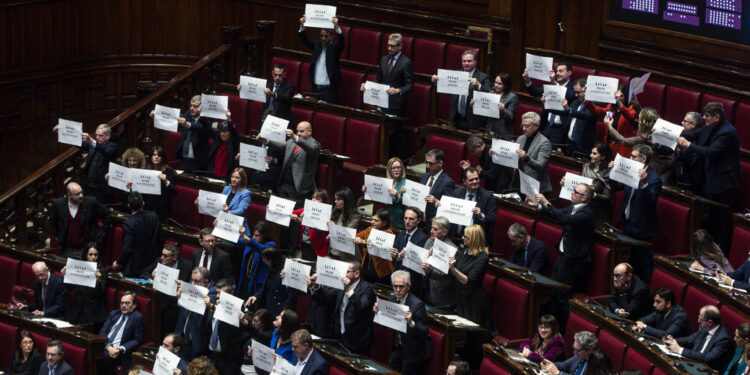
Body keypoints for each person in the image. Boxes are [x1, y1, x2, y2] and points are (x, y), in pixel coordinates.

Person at [677, 102, 741, 252]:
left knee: (718, 219)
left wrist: (689, 145)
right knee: (707, 217)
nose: (704, 118)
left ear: (716, 117)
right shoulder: (709, 126)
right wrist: (669, 131)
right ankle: (705, 248)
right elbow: (694, 134)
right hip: (709, 179)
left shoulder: (727, 132)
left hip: (722, 183)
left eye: (707, 116)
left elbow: (711, 152)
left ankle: (719, 250)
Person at [527, 185, 595, 297]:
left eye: (576, 192)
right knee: (553, 289)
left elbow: (565, 219)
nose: (572, 193)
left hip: (573, 262)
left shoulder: (587, 214)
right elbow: (557, 213)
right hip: (563, 256)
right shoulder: (573, 208)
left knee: (562, 294)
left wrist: (546, 202)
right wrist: (538, 206)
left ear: (584, 198)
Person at [609, 144, 662, 284]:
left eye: (633, 156)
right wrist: (613, 173)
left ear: (643, 159)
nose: (629, 158)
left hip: (642, 229)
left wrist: (644, 184)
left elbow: (650, 202)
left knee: (641, 265)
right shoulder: (631, 171)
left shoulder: (654, 178)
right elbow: (615, 187)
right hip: (627, 223)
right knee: (627, 262)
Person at [309, 261, 375, 355]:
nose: (344, 275)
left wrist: (348, 288)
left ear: (356, 274)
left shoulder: (367, 288)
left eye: (347, 272)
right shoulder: (341, 284)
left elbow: (361, 307)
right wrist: (316, 286)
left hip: (357, 338)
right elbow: (328, 297)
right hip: (339, 333)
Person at [374, 270, 430, 375]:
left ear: (409, 286)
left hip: (414, 351)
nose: (398, 290)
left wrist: (410, 322)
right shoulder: (392, 298)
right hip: (398, 347)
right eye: (395, 286)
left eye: (401, 287)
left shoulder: (417, 304)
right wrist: (378, 313)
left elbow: (424, 332)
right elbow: (387, 324)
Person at [606, 107, 674, 185]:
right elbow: (648, 116)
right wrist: (636, 104)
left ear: (643, 122)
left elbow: (623, 141)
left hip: (660, 166)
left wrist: (610, 127)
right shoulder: (659, 124)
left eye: (640, 119)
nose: (638, 120)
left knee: (654, 187)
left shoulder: (645, 137)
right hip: (668, 161)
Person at [431, 50, 491, 130]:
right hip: (455, 117)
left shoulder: (483, 77)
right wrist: (435, 82)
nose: (466, 63)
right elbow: (442, 88)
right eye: (464, 61)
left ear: (476, 62)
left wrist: (479, 85)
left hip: (473, 119)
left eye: (469, 61)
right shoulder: (455, 74)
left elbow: (490, 94)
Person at [49, 181, 110, 258]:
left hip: (87, 247)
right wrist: (57, 236)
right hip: (68, 247)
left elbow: (106, 214)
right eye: (77, 194)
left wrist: (102, 233)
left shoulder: (91, 202)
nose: (81, 196)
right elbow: (52, 221)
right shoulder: (58, 204)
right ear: (69, 195)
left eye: (81, 192)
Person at [450, 225, 494, 331]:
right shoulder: (464, 252)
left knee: (472, 332)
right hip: (462, 297)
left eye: (466, 236)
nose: (462, 238)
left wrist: (453, 268)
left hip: (474, 300)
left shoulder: (482, 257)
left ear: (474, 239)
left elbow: (468, 280)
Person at [664, 305, 733, 372]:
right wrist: (672, 342)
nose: (698, 321)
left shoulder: (724, 338)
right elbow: (689, 340)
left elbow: (707, 358)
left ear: (710, 322)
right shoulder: (704, 328)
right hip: (693, 364)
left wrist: (680, 350)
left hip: (708, 371)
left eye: (701, 319)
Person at [440, 167, 496, 247]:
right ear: (464, 182)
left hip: (475, 242)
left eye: (476, 179)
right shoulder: (457, 193)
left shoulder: (487, 197)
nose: (475, 182)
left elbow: (492, 219)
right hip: (456, 239)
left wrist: (481, 215)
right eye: (471, 180)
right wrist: (441, 206)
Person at [265, 121, 321, 200]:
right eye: (297, 131)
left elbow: (311, 149)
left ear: (309, 132)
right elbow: (282, 146)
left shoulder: (315, 144)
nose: (298, 133)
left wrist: (295, 137)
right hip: (284, 185)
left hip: (299, 188)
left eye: (301, 131)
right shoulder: (292, 141)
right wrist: (267, 140)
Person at [361, 33, 413, 116]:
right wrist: (367, 86)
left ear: (400, 46)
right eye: (388, 45)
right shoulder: (384, 59)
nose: (389, 48)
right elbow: (378, 79)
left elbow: (410, 85)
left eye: (392, 46)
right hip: (382, 102)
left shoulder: (406, 63)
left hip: (396, 105)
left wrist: (397, 90)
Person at [114, 191, 166, 277]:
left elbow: (127, 248)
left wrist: (118, 262)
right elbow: (162, 238)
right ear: (143, 203)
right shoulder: (154, 217)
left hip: (134, 268)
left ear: (128, 206)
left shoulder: (129, 224)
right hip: (151, 265)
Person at [562, 143, 612, 227]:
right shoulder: (586, 167)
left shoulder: (608, 172)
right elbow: (579, 187)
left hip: (596, 214)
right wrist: (565, 184)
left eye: (594, 154)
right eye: (591, 152)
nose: (591, 155)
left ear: (603, 156)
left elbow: (607, 197)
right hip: (581, 208)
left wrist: (594, 194)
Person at [298, 15, 345, 103]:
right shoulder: (317, 45)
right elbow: (305, 40)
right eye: (321, 36)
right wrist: (302, 26)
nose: (323, 38)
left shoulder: (334, 48)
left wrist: (337, 27)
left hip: (329, 91)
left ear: (331, 37)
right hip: (315, 89)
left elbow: (342, 42)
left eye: (326, 36)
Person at [63, 243, 108, 332]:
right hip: (78, 309)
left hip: (93, 311)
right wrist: (65, 276)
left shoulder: (102, 270)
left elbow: (100, 293)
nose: (93, 257)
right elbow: (70, 288)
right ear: (85, 255)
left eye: (96, 255)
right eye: (90, 254)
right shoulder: (80, 267)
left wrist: (97, 280)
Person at [97, 291, 146, 372]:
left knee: (95, 358)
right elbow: (103, 332)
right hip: (104, 346)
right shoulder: (114, 314)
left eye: (127, 303)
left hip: (119, 352)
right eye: (121, 303)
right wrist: (109, 347)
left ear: (134, 305)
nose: (123, 306)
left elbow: (138, 340)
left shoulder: (138, 318)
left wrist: (121, 348)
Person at [584, 85, 639, 158]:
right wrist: (587, 97)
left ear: (626, 97)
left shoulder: (632, 109)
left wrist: (620, 104)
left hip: (623, 148)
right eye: (616, 96)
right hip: (608, 145)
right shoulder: (611, 107)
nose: (618, 98)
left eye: (621, 96)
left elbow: (629, 116)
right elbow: (596, 110)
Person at [175, 267, 217, 361]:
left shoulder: (213, 296)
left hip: (198, 343)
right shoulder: (188, 289)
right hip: (183, 339)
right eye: (191, 280)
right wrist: (179, 298)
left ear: (206, 282)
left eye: (196, 281)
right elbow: (182, 313)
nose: (192, 284)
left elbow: (213, 318)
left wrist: (209, 306)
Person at [206, 280, 244, 375]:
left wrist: (216, 307)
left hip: (228, 358)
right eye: (217, 292)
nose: (217, 296)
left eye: (221, 293)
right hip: (211, 354)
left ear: (231, 293)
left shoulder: (238, 308)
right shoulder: (213, 301)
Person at [245, 246, 295, 317]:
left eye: (264, 258)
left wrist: (284, 311)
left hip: (278, 311)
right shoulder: (272, 268)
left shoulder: (285, 271)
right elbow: (265, 286)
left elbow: (290, 295)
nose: (262, 260)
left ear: (271, 260)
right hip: (268, 306)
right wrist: (256, 296)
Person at [392, 207, 430, 298]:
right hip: (398, 279)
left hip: (413, 282)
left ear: (418, 221)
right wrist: (396, 256)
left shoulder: (423, 238)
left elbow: (420, 263)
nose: (407, 221)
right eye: (405, 218)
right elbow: (397, 258)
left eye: (411, 219)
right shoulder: (401, 234)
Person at [510, 111, 552, 195]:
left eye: (527, 126)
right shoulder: (520, 138)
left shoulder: (544, 143)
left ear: (536, 126)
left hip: (535, 187)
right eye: (522, 125)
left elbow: (540, 166)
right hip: (518, 182)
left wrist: (526, 158)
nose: (524, 129)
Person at [422, 217, 458, 307]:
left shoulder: (452, 249)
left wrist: (429, 270)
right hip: (425, 288)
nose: (431, 231)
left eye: (435, 229)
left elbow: (448, 273)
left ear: (444, 232)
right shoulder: (429, 241)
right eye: (431, 228)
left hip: (440, 293)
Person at [363, 157, 406, 229]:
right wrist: (367, 192)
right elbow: (380, 200)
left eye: (399, 167)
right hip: (387, 219)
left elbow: (407, 204)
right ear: (389, 170)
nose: (396, 170)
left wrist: (397, 196)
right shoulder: (386, 182)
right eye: (393, 168)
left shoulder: (405, 183)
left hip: (399, 220)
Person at [80, 124, 119, 202]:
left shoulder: (113, 146)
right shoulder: (93, 145)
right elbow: (78, 143)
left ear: (107, 136)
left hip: (101, 189)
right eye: (96, 135)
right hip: (88, 186)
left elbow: (105, 150)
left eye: (100, 135)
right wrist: (62, 132)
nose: (97, 137)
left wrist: (91, 140)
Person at [237, 221, 277, 299]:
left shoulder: (271, 245)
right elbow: (237, 242)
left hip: (257, 287)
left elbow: (261, 249)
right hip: (245, 282)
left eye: (257, 235)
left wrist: (247, 239)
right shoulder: (250, 243)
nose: (254, 237)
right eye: (253, 235)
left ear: (264, 236)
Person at [173, 95, 212, 172]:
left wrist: (188, 124)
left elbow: (201, 128)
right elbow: (177, 117)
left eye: (195, 106)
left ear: (201, 107)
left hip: (198, 162)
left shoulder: (206, 119)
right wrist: (158, 114)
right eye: (191, 105)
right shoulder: (188, 114)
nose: (192, 108)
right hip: (184, 159)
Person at [356, 209, 395, 285]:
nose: (372, 222)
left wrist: (364, 242)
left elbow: (376, 245)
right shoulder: (370, 229)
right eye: (372, 219)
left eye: (376, 221)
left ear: (384, 223)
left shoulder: (388, 233)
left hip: (382, 272)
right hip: (367, 267)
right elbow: (357, 236)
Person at [475, 73, 518, 138]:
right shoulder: (490, 94)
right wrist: (476, 105)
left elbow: (511, 117)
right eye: (495, 82)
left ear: (506, 85)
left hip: (503, 133)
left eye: (499, 84)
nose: (496, 85)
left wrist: (504, 110)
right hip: (489, 129)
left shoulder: (512, 97)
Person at [291, 189, 330, 261]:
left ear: (324, 201)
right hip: (304, 244)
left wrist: (303, 220)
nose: (313, 200)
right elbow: (292, 211)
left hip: (317, 248)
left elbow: (319, 228)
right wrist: (273, 206)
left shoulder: (327, 214)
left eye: (317, 198)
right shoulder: (307, 209)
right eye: (313, 197)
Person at [420, 149, 455, 227]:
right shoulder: (424, 176)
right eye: (426, 163)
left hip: (434, 224)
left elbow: (448, 207)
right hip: (420, 221)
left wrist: (436, 201)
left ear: (440, 163)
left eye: (431, 163)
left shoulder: (448, 182)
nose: (427, 166)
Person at [562, 79, 597, 157]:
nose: (576, 95)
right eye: (575, 92)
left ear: (586, 90)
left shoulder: (594, 104)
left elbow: (586, 115)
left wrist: (569, 110)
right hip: (568, 144)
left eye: (578, 92)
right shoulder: (575, 102)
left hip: (582, 147)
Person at [144, 145, 178, 223]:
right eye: (154, 155)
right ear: (151, 157)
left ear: (162, 158)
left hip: (162, 209)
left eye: (159, 155)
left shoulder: (168, 172)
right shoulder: (145, 170)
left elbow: (175, 192)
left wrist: (166, 181)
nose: (156, 157)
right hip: (147, 207)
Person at [673, 112, 704, 194]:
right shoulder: (681, 138)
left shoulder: (699, 142)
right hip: (676, 177)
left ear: (693, 125)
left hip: (691, 182)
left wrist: (679, 151)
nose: (682, 123)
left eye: (685, 121)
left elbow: (691, 160)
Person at [328, 187, 361, 260]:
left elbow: (347, 232)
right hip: (333, 250)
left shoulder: (355, 215)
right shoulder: (336, 210)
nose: (335, 202)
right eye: (335, 199)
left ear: (346, 200)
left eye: (338, 199)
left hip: (346, 254)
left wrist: (333, 227)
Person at [239, 308, 275, 375]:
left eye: (256, 321)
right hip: (243, 369)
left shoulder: (268, 335)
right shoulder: (252, 331)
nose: (253, 323)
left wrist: (246, 323)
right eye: (253, 320)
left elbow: (258, 334)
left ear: (264, 323)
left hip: (257, 371)